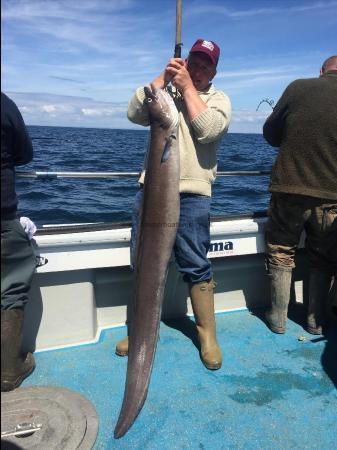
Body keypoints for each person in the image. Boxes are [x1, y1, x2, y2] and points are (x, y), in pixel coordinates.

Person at [115, 39, 232, 370]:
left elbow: (209, 130)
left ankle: (207, 335)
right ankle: (138, 331)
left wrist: (187, 89)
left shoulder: (218, 99)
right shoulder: (167, 93)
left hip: (193, 194)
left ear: (214, 72)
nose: (196, 70)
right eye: (192, 63)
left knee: (195, 263)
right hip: (151, 191)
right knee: (143, 263)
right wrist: (162, 79)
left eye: (204, 66)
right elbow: (134, 112)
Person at [263, 56, 337, 335]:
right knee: (323, 257)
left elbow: (270, 133)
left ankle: (278, 319)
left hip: (289, 189)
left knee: (281, 251)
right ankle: (315, 322)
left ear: (321, 71)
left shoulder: (297, 87)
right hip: (333, 195)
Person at [1, 92, 36, 391]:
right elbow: (25, 154)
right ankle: (9, 372)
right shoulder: (4, 105)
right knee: (12, 289)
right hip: (2, 217)